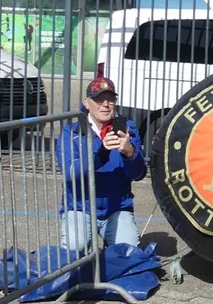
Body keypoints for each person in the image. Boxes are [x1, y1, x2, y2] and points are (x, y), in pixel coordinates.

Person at [56, 76, 147, 251]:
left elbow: (138, 174)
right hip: (80, 208)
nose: (105, 104)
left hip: (117, 209)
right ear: (87, 103)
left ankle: (110, 249)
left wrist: (130, 152)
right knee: (74, 249)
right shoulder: (71, 132)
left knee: (127, 253)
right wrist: (102, 153)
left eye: (110, 99)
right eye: (98, 99)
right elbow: (71, 173)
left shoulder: (127, 129)